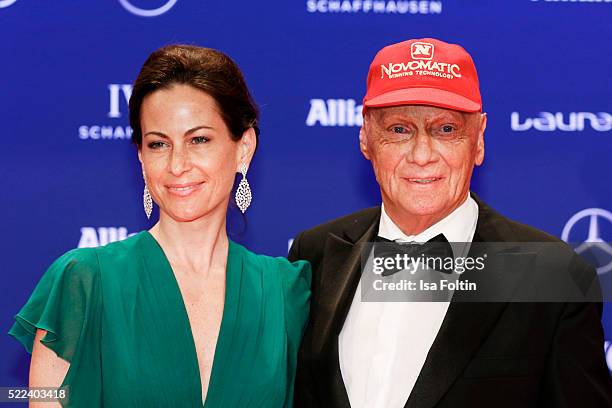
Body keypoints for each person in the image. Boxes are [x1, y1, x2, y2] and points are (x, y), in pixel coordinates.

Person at [288, 38, 612, 407]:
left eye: (445, 130)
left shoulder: (553, 275)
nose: (422, 155)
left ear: (478, 140)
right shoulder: (315, 254)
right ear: (366, 137)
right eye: (398, 129)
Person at [9, 45, 311, 407]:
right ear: (140, 155)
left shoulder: (284, 291)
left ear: (243, 147)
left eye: (199, 140)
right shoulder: (84, 283)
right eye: (158, 144)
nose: (177, 164)